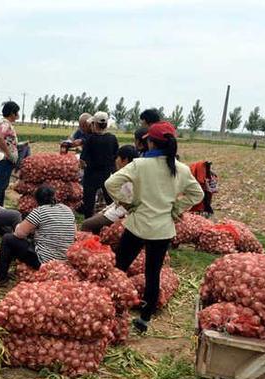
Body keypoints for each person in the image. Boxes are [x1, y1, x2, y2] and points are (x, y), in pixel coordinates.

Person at [105, 121, 204, 333]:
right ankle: (145, 318)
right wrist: (176, 208)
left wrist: (127, 202)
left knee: (120, 266)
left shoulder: (140, 165)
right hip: (162, 229)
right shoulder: (181, 169)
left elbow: (110, 184)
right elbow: (198, 194)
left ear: (150, 143)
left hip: (138, 224)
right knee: (153, 273)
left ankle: (110, 306)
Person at [0, 186, 76, 287]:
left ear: (37, 200)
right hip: (64, 259)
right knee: (30, 238)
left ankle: (0, 277)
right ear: (54, 197)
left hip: (45, 261)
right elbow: (74, 232)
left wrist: (23, 226)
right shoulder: (67, 209)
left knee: (8, 239)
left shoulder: (40, 211)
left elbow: (19, 233)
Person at [81, 145, 138, 233]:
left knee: (86, 224)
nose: (115, 161)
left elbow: (126, 204)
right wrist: (105, 210)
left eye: (117, 158)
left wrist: (106, 213)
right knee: (96, 218)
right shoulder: (132, 173)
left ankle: (86, 244)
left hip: (121, 213)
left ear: (125, 160)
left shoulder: (127, 178)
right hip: (117, 210)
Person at [80, 111, 119, 218]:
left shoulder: (90, 139)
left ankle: (88, 226)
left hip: (91, 176)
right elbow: (116, 157)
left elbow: (82, 161)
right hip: (107, 175)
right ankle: (113, 220)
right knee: (110, 201)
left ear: (94, 124)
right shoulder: (112, 138)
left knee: (89, 204)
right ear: (106, 125)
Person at [0, 101, 21, 206]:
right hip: (3, 159)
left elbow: (7, 140)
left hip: (4, 158)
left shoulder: (6, 123)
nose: (18, 115)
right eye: (17, 112)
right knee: (1, 185)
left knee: (3, 185)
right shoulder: (5, 124)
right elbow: (0, 138)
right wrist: (9, 153)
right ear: (12, 113)